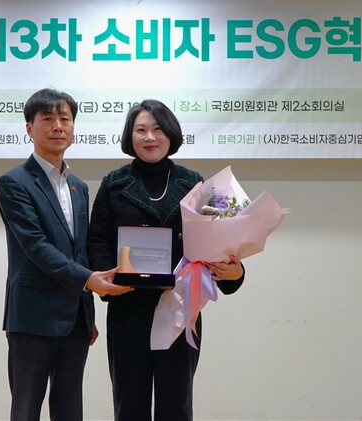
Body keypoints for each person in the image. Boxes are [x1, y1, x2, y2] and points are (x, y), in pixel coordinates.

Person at [87, 99, 245, 421]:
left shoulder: (193, 183)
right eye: (141, 130)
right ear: (129, 136)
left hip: (180, 307)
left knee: (176, 405)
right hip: (127, 308)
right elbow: (98, 239)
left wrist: (235, 271)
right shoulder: (114, 183)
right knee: (129, 405)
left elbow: (218, 240)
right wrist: (108, 281)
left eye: (158, 129)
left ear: (171, 133)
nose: (150, 137)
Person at [0, 88, 131, 421]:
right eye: (47, 118)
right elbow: (35, 246)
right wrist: (89, 280)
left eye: (65, 119)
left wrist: (88, 313)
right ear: (29, 128)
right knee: (26, 410)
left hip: (74, 321)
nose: (58, 126)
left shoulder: (79, 187)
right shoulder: (14, 183)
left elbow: (79, 251)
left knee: (70, 411)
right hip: (32, 317)